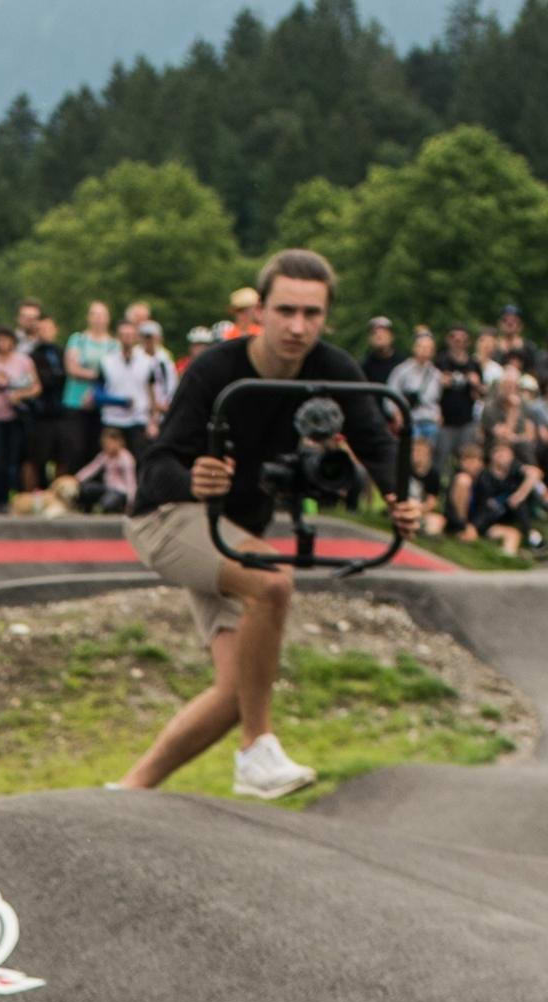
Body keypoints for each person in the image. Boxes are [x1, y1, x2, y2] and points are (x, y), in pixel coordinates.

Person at [115, 248, 357, 800]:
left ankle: (127, 794)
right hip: (167, 516)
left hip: (233, 529)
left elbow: (375, 438)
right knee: (272, 582)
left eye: (311, 315)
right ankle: (256, 749)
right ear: (261, 312)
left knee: (237, 688)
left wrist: (398, 498)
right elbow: (157, 465)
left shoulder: (333, 368)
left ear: (326, 317)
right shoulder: (216, 369)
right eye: (286, 312)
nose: (298, 328)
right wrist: (192, 480)